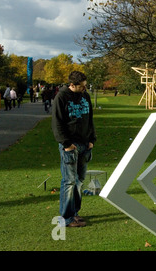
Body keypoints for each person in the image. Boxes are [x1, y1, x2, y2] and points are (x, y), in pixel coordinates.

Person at [52, 71, 96, 227]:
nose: (85, 89)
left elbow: (90, 119)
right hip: (70, 146)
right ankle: (67, 217)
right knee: (69, 182)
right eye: (82, 86)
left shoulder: (85, 96)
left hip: (85, 144)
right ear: (72, 84)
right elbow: (57, 124)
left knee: (79, 181)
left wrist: (92, 140)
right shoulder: (61, 97)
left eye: (85, 86)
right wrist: (66, 144)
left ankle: (75, 213)